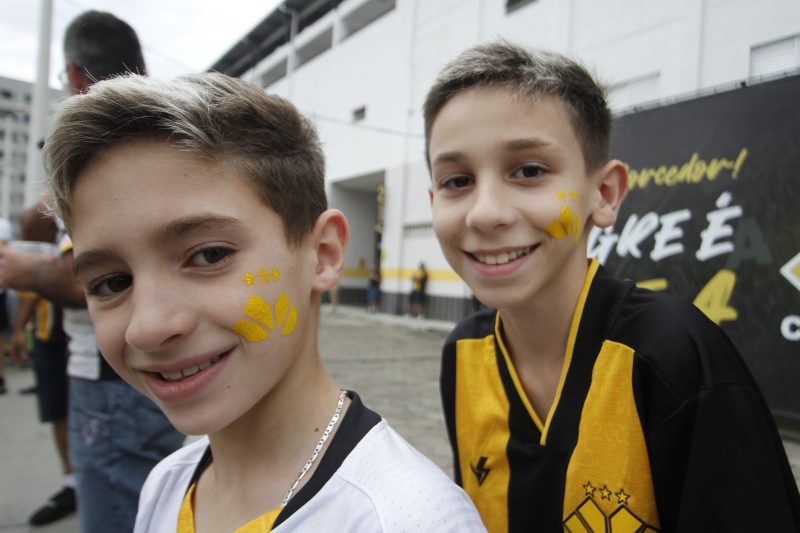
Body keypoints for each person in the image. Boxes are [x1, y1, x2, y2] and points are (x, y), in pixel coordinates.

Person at [43, 73, 485, 532]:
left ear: (323, 255)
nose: (147, 327)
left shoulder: (408, 518)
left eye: (209, 255)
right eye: (111, 283)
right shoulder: (165, 486)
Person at [425, 41, 800, 532]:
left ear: (603, 194)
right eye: (457, 181)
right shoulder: (464, 353)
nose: (486, 212)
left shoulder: (673, 358)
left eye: (530, 170)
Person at [0, 11, 184, 532]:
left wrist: (24, 271)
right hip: (137, 379)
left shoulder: (106, 154)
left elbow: (92, 275)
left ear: (76, 76)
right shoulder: (155, 142)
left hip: (112, 379)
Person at [10, 203, 76, 525]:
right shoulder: (39, 217)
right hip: (51, 333)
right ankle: (72, 481)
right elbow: (28, 286)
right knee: (57, 410)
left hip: (86, 340)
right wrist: (20, 328)